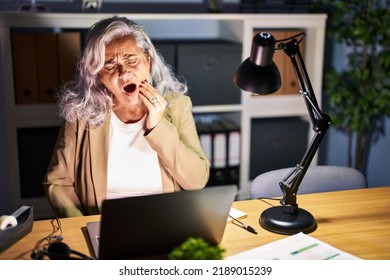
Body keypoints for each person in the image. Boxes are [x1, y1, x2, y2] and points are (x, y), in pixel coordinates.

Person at [43, 16, 210, 218]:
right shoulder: (81, 113)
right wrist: (82, 226)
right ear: (97, 75)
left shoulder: (177, 106)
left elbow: (197, 181)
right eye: (110, 65)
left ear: (148, 61)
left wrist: (158, 127)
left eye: (132, 60)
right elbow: (58, 183)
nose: (124, 73)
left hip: (164, 220)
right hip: (103, 223)